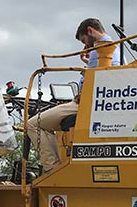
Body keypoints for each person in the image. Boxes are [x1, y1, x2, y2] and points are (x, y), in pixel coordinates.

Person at [26, 18, 122, 171]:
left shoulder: (101, 49)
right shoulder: (115, 49)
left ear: (90, 30)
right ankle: (58, 166)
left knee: (32, 124)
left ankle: (53, 169)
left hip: (85, 103)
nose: (85, 45)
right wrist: (88, 61)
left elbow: (102, 79)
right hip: (94, 101)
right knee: (46, 127)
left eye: (84, 40)